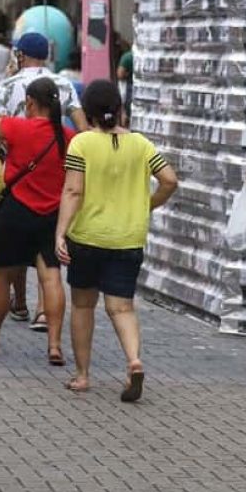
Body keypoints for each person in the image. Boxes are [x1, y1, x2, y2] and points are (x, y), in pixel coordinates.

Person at [54, 79, 177, 402]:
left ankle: (82, 376)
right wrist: (147, 204)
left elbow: (73, 190)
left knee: (83, 305)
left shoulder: (81, 144)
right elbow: (169, 180)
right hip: (128, 238)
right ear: (119, 108)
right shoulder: (141, 144)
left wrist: (60, 232)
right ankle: (134, 360)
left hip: (88, 237)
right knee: (121, 306)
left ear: (88, 112)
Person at [0, 32, 88, 331]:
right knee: (49, 252)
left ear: (19, 55)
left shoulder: (8, 84)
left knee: (11, 247)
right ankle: (43, 312)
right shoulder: (62, 82)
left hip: (15, 172)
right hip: (55, 168)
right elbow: (83, 128)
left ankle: (18, 302)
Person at [0, 77, 74, 364]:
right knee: (51, 277)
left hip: (17, 211)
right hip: (52, 215)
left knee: (1, 276)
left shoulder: (18, 127)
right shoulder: (69, 136)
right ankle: (54, 345)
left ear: (29, 103)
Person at [117, 43, 135, 125]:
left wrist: (127, 74)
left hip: (128, 86)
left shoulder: (127, 57)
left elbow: (120, 74)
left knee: (125, 110)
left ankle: (124, 128)